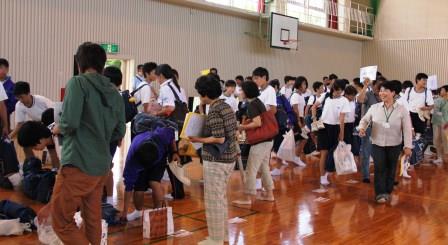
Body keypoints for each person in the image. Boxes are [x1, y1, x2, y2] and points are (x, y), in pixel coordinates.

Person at [37, 42, 126, 245]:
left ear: (79, 63)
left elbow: (69, 123)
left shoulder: (78, 83)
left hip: (78, 163)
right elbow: (120, 131)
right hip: (101, 166)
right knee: (92, 219)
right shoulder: (114, 93)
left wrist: (55, 128)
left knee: (61, 222)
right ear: (103, 64)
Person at [189, 75, 237, 245]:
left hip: (217, 160)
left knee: (214, 201)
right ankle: (222, 236)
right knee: (220, 199)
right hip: (228, 159)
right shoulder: (224, 106)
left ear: (204, 94)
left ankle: (215, 239)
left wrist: (198, 140)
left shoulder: (215, 110)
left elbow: (219, 138)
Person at [359, 81, 413, 203]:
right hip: (377, 143)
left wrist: (408, 146)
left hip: (394, 144)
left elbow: (407, 129)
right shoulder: (374, 108)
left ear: (393, 93)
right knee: (379, 167)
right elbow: (364, 120)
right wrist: (362, 128)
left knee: (391, 168)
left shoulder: (402, 110)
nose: (382, 93)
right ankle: (380, 193)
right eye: (381, 91)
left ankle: (387, 190)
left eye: (385, 91)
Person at [121, 127, 178, 221]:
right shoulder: (132, 161)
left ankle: (158, 211)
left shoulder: (162, 134)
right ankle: (138, 212)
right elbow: (128, 187)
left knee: (154, 182)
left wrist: (175, 152)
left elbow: (171, 134)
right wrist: (124, 212)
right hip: (143, 156)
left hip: (159, 157)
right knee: (139, 186)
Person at [233, 80, 275, 205]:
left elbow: (257, 123)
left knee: (251, 169)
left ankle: (247, 198)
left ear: (247, 92)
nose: (239, 92)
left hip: (261, 142)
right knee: (263, 167)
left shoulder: (252, 105)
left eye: (241, 90)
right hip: (268, 140)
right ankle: (269, 194)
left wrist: (241, 127)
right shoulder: (258, 102)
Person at [153, 64, 187, 199]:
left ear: (160, 76)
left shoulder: (166, 88)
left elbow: (169, 108)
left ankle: (177, 192)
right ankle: (178, 191)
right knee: (177, 158)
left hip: (170, 127)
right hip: (180, 126)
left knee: (172, 158)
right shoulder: (179, 88)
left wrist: (155, 114)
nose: (157, 80)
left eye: (157, 77)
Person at [311, 80, 349, 186]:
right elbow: (313, 107)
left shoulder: (344, 100)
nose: (339, 93)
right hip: (323, 126)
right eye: (337, 90)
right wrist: (314, 120)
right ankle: (322, 176)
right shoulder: (325, 96)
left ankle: (328, 171)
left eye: (341, 91)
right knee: (324, 152)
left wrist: (341, 134)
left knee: (333, 152)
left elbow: (342, 119)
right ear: (333, 88)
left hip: (335, 127)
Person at [9, 81, 54, 158]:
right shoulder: (19, 105)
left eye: (21, 97)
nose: (20, 100)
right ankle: (31, 163)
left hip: (52, 123)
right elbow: (20, 124)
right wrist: (8, 138)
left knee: (51, 146)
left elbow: (56, 114)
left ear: (28, 93)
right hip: (40, 126)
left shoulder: (42, 101)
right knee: (25, 141)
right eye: (18, 98)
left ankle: (54, 164)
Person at [103, 66, 124, 205]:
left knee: (102, 168)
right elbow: (121, 121)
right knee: (107, 167)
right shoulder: (118, 96)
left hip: (100, 137)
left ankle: (105, 198)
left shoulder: (100, 93)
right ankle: (109, 199)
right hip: (111, 138)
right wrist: (119, 138)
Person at [356, 77, 384, 183]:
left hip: (380, 127)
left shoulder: (383, 95)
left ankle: (380, 174)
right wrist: (365, 86)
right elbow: (360, 99)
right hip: (367, 127)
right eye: (378, 86)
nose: (380, 88)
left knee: (379, 152)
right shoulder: (368, 94)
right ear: (373, 86)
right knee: (366, 151)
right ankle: (366, 176)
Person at [269, 79, 296, 176]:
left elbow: (289, 110)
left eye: (272, 87)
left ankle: (278, 168)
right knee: (276, 147)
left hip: (282, 126)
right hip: (273, 126)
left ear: (276, 87)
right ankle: (279, 164)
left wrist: (291, 122)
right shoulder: (270, 97)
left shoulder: (281, 97)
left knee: (280, 146)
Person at [403, 73, 434, 137]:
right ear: (418, 80)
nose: (425, 82)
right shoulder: (409, 90)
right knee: (408, 134)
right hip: (409, 114)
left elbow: (432, 105)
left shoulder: (427, 92)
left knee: (419, 135)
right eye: (424, 80)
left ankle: (418, 145)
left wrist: (426, 108)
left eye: (426, 80)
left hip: (421, 116)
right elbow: (404, 102)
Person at [290, 76, 309, 167]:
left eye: (305, 84)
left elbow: (302, 109)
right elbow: (295, 109)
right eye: (303, 84)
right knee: (303, 138)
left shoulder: (301, 95)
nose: (305, 86)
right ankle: (295, 158)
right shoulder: (295, 95)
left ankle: (293, 157)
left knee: (301, 139)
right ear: (299, 85)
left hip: (301, 118)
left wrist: (303, 120)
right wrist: (298, 121)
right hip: (296, 119)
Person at [343, 85, 360, 164]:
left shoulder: (353, 102)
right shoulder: (343, 101)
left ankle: (352, 158)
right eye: (352, 95)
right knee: (346, 142)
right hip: (344, 125)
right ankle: (345, 159)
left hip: (352, 124)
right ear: (346, 94)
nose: (354, 97)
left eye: (354, 95)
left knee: (353, 142)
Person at [431, 85, 448, 164]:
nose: (441, 91)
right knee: (437, 140)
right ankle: (439, 157)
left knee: (446, 140)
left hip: (445, 123)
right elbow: (435, 111)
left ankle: (444, 156)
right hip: (437, 123)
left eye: (442, 90)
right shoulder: (437, 100)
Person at [0, 58, 17, 129]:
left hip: (4, 118)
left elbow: (13, 103)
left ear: (7, 69)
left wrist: (5, 111)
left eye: (0, 68)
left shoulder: (12, 86)